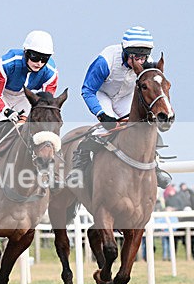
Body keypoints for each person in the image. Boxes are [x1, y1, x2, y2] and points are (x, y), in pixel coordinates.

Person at [73, 26, 172, 188]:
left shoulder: (148, 63)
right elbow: (87, 90)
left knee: (142, 127)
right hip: (103, 94)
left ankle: (155, 166)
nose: (141, 61)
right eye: (136, 57)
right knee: (105, 128)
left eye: (144, 57)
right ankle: (79, 165)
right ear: (126, 52)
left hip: (125, 97)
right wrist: (101, 114)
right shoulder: (105, 61)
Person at [0, 30, 57, 125]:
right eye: (35, 57)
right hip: (1, 94)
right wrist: (6, 111)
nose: (39, 63)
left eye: (44, 58)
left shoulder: (50, 73)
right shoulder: (6, 64)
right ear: (26, 52)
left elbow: (47, 101)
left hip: (24, 96)